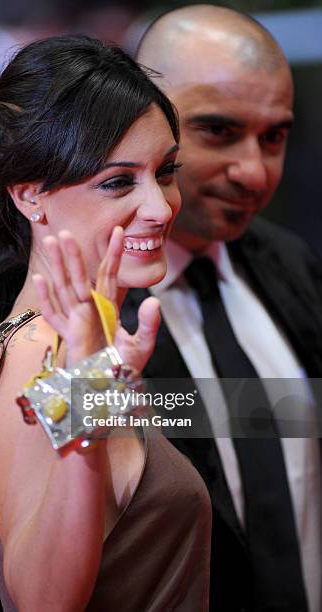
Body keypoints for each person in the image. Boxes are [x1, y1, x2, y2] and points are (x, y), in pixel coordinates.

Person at [0, 35, 211, 610]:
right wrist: (89, 402)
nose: (161, 206)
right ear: (31, 196)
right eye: (118, 181)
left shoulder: (37, 346)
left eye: (167, 170)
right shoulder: (44, 363)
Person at [122, 5, 322, 612]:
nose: (254, 172)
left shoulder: (292, 268)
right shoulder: (29, 306)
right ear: (134, 120)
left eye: (275, 137)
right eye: (217, 130)